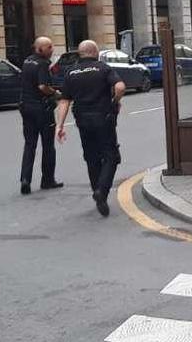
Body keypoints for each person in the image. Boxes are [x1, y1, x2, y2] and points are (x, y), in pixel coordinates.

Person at [55, 40, 126, 216]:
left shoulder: (71, 72)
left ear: (80, 54)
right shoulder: (103, 68)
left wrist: (60, 125)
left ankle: (96, 190)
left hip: (82, 120)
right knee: (111, 156)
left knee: (91, 157)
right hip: (103, 117)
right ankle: (102, 191)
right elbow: (120, 86)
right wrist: (115, 101)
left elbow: (64, 100)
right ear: (95, 52)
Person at [19, 36, 63, 195]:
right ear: (40, 49)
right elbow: (43, 86)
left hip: (26, 107)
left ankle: (25, 179)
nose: (51, 50)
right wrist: (55, 93)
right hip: (41, 109)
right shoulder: (43, 63)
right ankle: (48, 180)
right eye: (49, 47)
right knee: (48, 146)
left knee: (30, 145)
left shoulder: (27, 61)